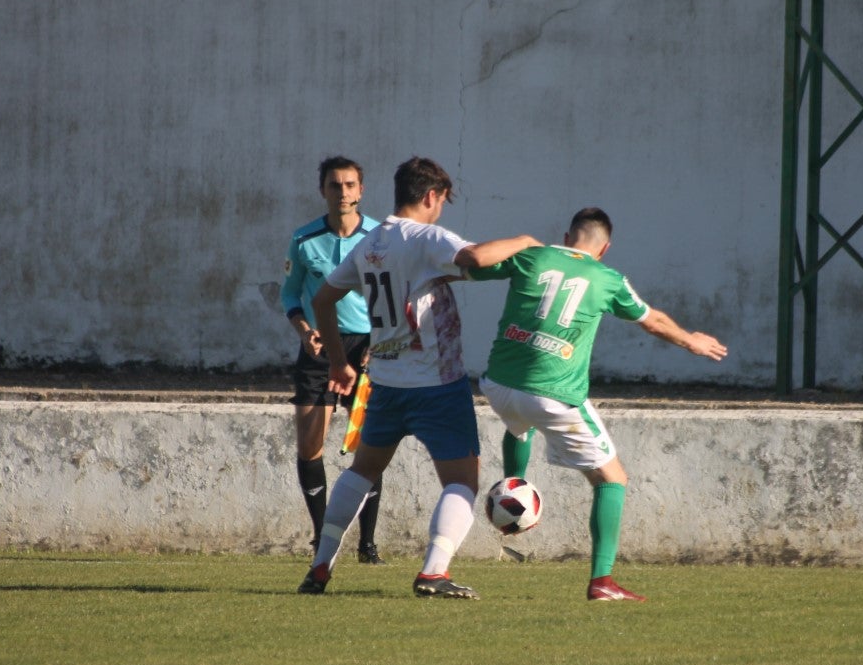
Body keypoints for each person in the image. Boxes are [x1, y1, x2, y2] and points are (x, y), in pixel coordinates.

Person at [298, 156, 541, 599]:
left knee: (361, 472)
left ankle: (319, 566)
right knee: (461, 482)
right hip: (436, 385)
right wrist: (524, 241)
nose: (441, 210)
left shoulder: (372, 242)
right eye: (442, 201)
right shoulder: (426, 237)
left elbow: (323, 300)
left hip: (387, 384)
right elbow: (474, 257)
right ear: (430, 196)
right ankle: (433, 572)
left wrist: (338, 362)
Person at [470, 207, 728, 602]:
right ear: (604, 248)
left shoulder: (532, 256)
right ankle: (602, 583)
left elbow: (472, 264)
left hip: (497, 386)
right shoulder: (608, 278)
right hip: (553, 396)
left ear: (566, 235)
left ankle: (513, 488)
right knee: (613, 479)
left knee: (521, 421)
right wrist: (690, 339)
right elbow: (652, 320)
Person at [281, 155, 385, 564]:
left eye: (349, 185)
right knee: (310, 445)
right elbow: (290, 293)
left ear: (361, 190)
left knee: (371, 447)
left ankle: (368, 544)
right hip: (320, 347)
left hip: (369, 349)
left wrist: (383, 340)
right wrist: (304, 330)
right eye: (334, 185)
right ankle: (323, 539)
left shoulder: (381, 237)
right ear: (322, 189)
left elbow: (397, 293)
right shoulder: (305, 239)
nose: (342, 192)